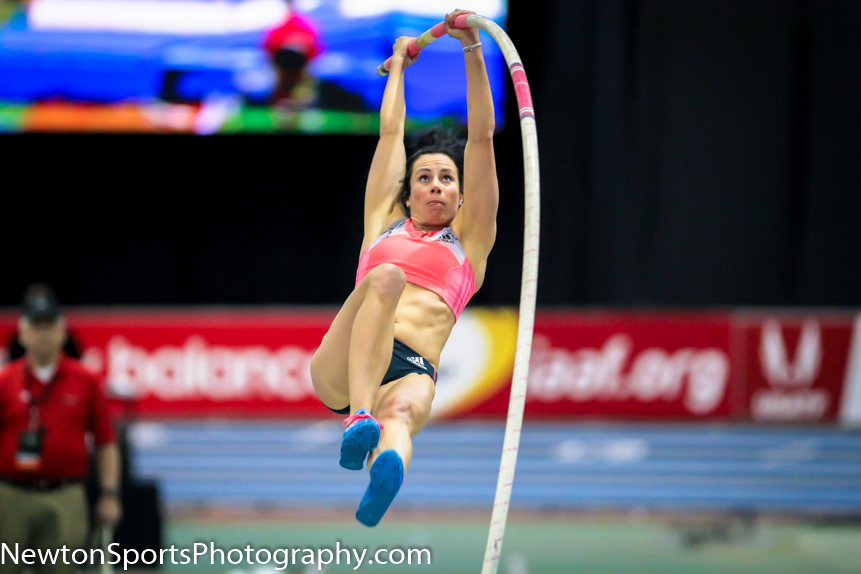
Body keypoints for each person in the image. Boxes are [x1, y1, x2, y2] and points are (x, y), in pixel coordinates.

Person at [310, 9, 498, 527]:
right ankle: (359, 418)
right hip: (346, 365)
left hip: (412, 368)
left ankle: (384, 468)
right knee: (387, 276)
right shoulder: (382, 227)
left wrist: (471, 47)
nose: (436, 184)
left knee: (405, 416)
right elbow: (390, 132)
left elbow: (480, 140)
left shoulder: (470, 244)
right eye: (425, 177)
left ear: (461, 197)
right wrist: (398, 67)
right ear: (408, 191)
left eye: (447, 178)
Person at [0, 284, 121, 573]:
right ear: (23, 332)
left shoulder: (86, 380)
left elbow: (105, 441)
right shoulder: (5, 380)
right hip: (10, 495)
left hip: (65, 496)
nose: (43, 332)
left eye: (49, 324)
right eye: (36, 325)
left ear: (63, 332)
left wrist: (110, 494)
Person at [263, 0, 321, 107]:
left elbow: (315, 48)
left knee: (304, 93)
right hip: (282, 67)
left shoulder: (305, 24)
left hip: (301, 67)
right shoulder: (279, 26)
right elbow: (268, 48)